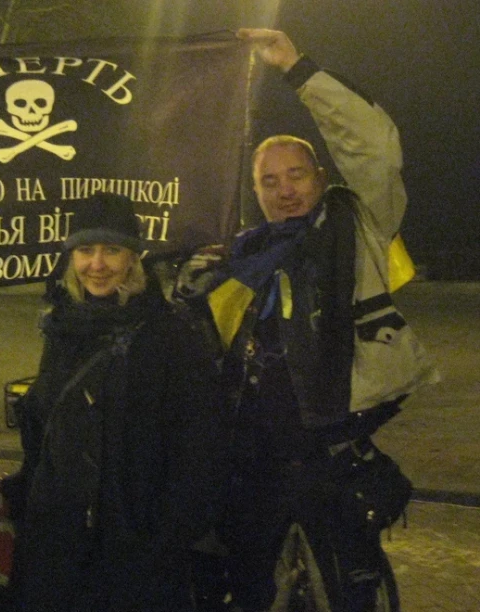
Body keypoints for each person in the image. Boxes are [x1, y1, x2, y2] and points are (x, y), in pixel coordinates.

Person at [175, 28, 439, 612]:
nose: (285, 190)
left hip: (329, 466)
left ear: (320, 178)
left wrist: (297, 69)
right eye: (269, 181)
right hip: (250, 472)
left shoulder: (357, 227)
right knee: (248, 594)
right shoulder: (238, 258)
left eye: (296, 174)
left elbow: (375, 148)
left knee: (345, 595)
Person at [0, 192, 226, 612]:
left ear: (134, 258)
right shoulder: (62, 327)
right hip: (57, 549)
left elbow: (199, 448)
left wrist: (163, 540)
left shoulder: (169, 336)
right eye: (85, 250)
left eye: (112, 250)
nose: (97, 264)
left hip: (133, 556)